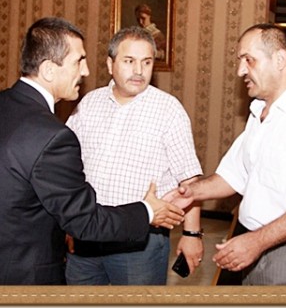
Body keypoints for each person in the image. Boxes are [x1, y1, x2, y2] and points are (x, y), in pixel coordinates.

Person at [0, 17, 185, 285]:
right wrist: (147, 211)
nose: (86, 71)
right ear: (48, 70)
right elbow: (85, 221)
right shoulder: (53, 136)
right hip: (21, 279)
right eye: (79, 61)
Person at [164, 24, 286, 285]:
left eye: (248, 60)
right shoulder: (259, 112)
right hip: (259, 246)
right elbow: (234, 175)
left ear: (280, 60)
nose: (240, 71)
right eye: (240, 61)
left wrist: (256, 242)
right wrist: (191, 192)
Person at [64, 26, 203, 285]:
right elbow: (69, 168)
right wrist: (70, 224)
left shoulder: (168, 110)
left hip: (140, 244)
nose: (139, 70)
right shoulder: (88, 104)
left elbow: (190, 180)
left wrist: (192, 234)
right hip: (87, 237)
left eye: (146, 62)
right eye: (129, 61)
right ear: (110, 64)